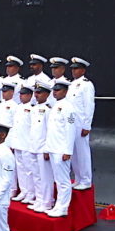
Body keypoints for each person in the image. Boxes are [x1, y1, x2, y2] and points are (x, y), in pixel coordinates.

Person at [44, 78, 77, 218]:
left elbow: (71, 130)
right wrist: (47, 149)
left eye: (58, 90)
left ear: (65, 91)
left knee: (63, 181)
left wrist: (68, 151)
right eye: (54, 90)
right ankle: (58, 206)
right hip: (53, 148)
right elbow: (51, 130)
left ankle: (63, 208)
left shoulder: (68, 108)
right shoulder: (55, 106)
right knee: (58, 180)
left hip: (61, 150)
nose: (55, 92)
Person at [67, 57, 95, 190]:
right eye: (73, 69)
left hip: (81, 123)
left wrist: (87, 125)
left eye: (77, 69)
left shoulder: (86, 85)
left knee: (82, 153)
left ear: (83, 70)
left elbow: (89, 106)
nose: (74, 71)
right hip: (71, 123)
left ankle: (86, 180)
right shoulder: (71, 84)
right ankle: (78, 178)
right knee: (74, 153)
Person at [28, 82, 53, 213]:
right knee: (36, 176)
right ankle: (39, 199)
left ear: (47, 94)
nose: (36, 95)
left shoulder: (49, 110)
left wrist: (47, 149)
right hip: (33, 146)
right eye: (35, 92)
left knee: (45, 177)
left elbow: (50, 131)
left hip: (43, 148)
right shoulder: (33, 109)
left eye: (39, 92)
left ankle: (47, 202)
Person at [9, 84, 36, 203]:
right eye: (20, 94)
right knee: (20, 169)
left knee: (29, 170)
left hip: (27, 143)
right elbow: (14, 126)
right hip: (18, 142)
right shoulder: (18, 107)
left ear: (30, 95)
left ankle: (31, 193)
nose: (21, 96)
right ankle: (24, 191)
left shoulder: (33, 108)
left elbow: (34, 128)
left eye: (24, 94)